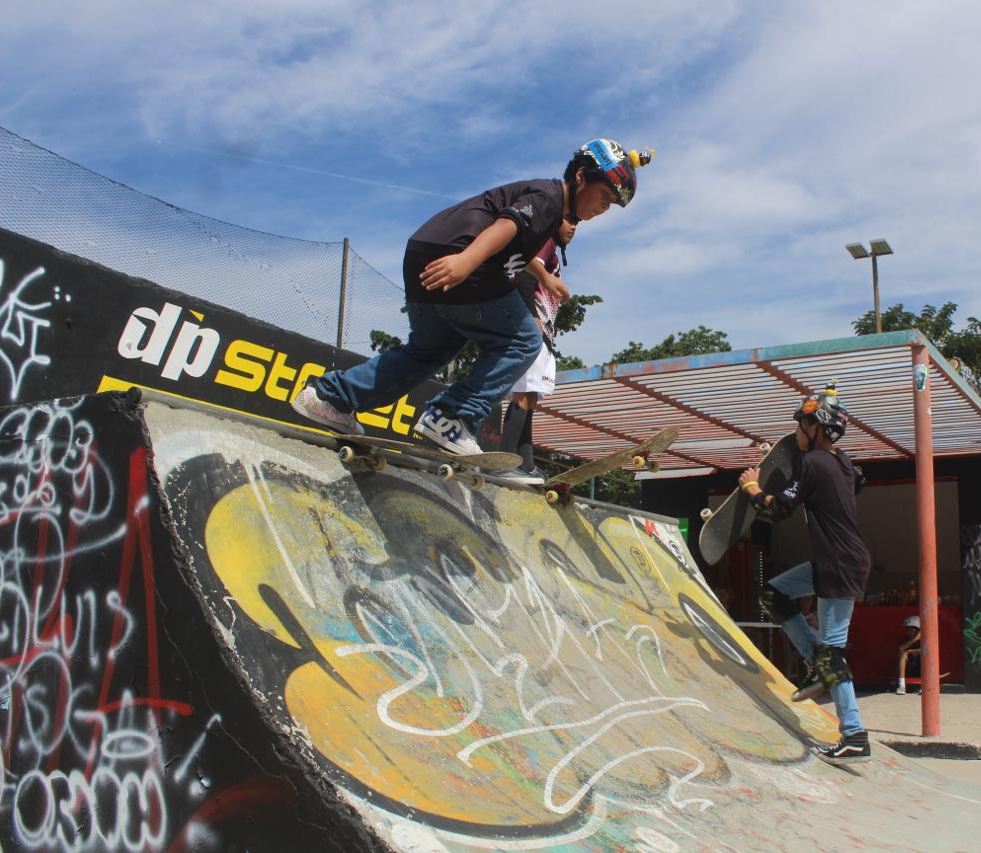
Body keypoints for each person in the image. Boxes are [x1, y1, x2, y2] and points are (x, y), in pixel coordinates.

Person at [291, 140, 651, 455]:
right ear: (581, 176)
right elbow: (506, 225)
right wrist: (466, 261)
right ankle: (451, 418)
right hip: (459, 255)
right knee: (524, 341)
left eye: (611, 205)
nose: (603, 209)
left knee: (427, 351)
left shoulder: (546, 215)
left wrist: (534, 281)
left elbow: (516, 259)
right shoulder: (549, 197)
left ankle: (329, 399)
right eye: (604, 197)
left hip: (425, 252)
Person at [740, 382, 872, 765]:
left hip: (837, 565)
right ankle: (818, 663)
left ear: (817, 429)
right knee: (773, 594)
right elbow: (848, 484)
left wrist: (751, 488)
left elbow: (779, 510)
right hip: (835, 561)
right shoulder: (842, 463)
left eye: (801, 425)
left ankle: (854, 736)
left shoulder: (813, 463)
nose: (795, 433)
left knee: (835, 654)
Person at [500, 218, 575, 484]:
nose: (574, 227)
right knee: (522, 395)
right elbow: (524, 274)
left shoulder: (552, 250)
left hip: (543, 333)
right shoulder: (543, 242)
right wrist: (531, 317)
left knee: (531, 398)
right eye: (570, 220)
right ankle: (503, 462)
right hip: (531, 328)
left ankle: (525, 464)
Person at [896, 615, 922, 695]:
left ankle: (925, 686)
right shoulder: (907, 639)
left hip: (922, 668)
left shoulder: (926, 638)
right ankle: (902, 685)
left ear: (918, 630)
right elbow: (901, 648)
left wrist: (910, 651)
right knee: (902, 653)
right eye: (907, 629)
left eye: (911, 629)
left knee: (926, 655)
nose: (908, 631)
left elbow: (925, 650)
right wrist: (914, 639)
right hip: (910, 668)